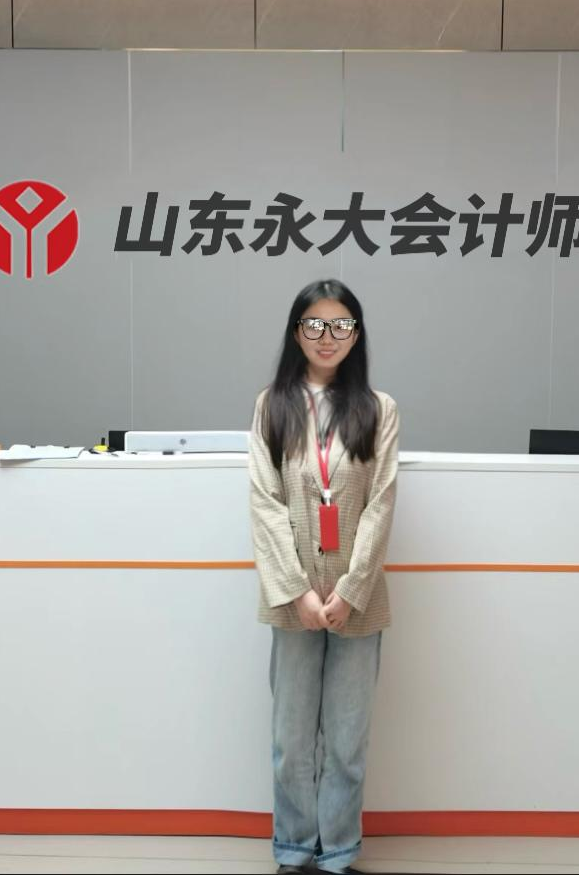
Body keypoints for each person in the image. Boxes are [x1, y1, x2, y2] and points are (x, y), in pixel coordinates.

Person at [248, 279, 400, 875]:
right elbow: (265, 503)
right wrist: (298, 592)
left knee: (346, 740)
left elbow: (381, 503)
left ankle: (337, 855)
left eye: (341, 325)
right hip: (293, 600)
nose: (327, 336)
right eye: (314, 324)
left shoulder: (379, 409)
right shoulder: (272, 405)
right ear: (296, 332)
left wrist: (352, 590)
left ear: (356, 335)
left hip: (359, 602)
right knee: (291, 741)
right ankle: (292, 851)